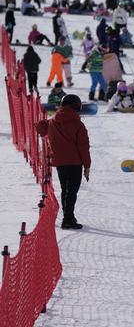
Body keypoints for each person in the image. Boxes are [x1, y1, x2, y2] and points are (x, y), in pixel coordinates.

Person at [36, 94, 91, 229]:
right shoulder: (78, 124)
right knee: (71, 191)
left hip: (59, 162)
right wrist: (87, 165)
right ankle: (68, 219)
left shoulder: (53, 121)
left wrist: (47, 123)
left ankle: (69, 216)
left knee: (65, 190)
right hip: (74, 162)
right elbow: (83, 146)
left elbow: (40, 128)